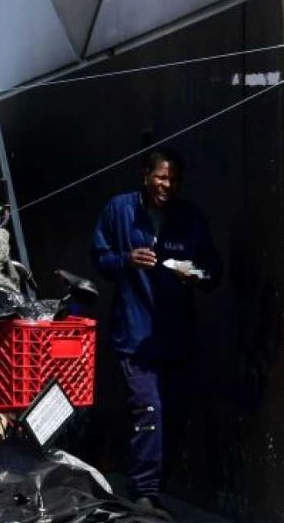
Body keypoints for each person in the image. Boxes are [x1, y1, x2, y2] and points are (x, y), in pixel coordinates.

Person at [92, 148, 220, 514]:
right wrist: (125, 261)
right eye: (162, 177)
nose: (168, 185)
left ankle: (156, 488)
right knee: (149, 409)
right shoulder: (119, 211)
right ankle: (143, 492)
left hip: (177, 338)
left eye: (174, 180)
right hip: (135, 335)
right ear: (146, 175)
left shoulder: (191, 219)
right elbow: (99, 258)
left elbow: (214, 271)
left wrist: (196, 275)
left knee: (174, 414)